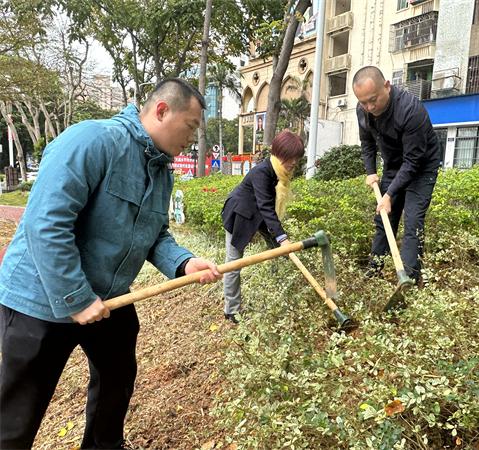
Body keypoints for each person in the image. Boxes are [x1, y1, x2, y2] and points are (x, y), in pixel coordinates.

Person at [0, 78, 222, 450]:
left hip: (109, 299)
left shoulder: (161, 171)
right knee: (17, 413)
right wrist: (76, 297)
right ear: (161, 111)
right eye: (191, 127)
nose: (193, 139)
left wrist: (184, 264)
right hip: (39, 298)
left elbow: (155, 234)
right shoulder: (93, 140)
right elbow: (46, 224)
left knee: (116, 382)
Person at [352, 66, 442, 284]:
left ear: (387, 87)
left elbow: (413, 161)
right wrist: (371, 172)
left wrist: (390, 194)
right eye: (364, 102)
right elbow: (367, 142)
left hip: (421, 166)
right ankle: (374, 271)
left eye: (373, 100)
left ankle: (409, 279)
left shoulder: (411, 110)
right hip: (393, 164)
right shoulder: (363, 109)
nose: (370, 107)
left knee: (413, 221)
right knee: (384, 218)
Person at [221, 130, 304, 323]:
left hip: (258, 216)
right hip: (239, 216)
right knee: (233, 263)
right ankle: (231, 310)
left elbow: (267, 209)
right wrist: (283, 238)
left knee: (279, 253)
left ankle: (280, 294)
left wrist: (281, 240)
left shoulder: (280, 172)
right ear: (279, 153)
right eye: (290, 158)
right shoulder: (262, 172)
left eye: (296, 159)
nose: (293, 163)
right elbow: (266, 207)